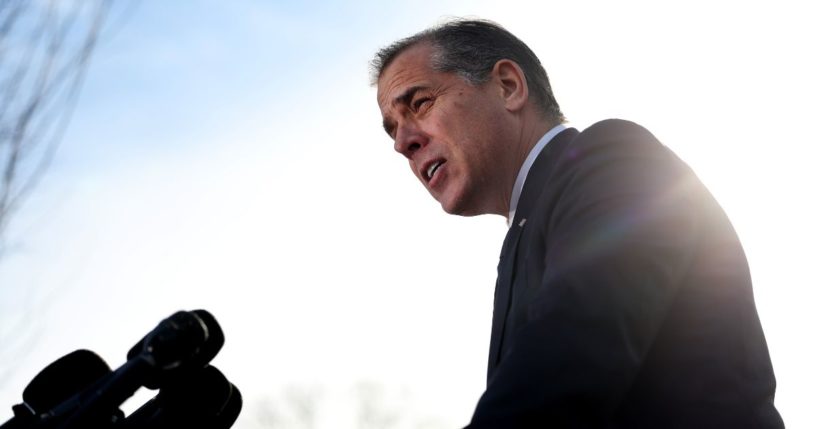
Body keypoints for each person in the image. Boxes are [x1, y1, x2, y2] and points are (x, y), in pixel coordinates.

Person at [372, 19, 784, 428]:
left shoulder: (613, 156)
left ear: (508, 86)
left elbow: (572, 349)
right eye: (392, 129)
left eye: (420, 103)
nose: (402, 142)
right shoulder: (522, 235)